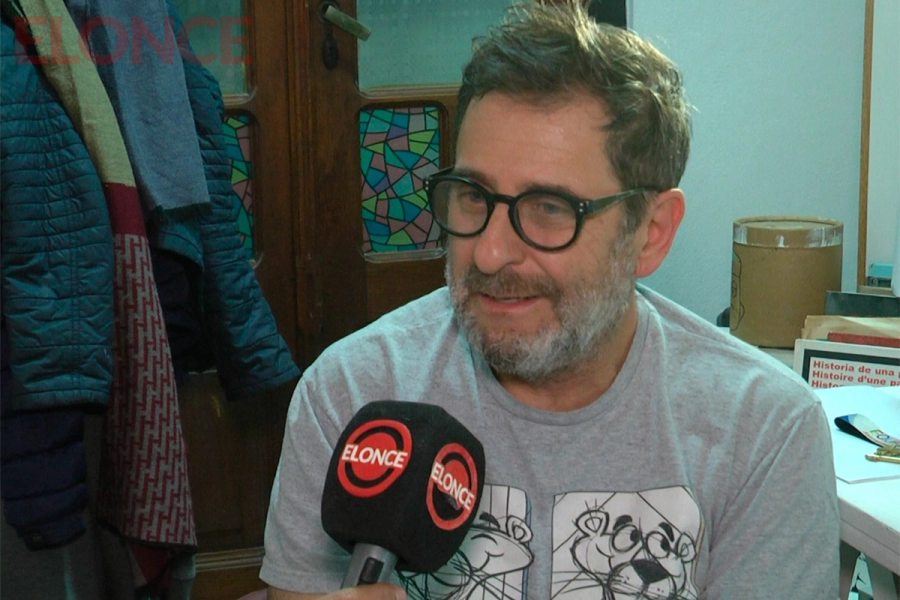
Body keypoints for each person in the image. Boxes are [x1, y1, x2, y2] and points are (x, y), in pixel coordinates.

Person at [260, 2, 840, 598]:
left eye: (549, 209)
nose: (490, 254)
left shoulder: (766, 432)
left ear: (650, 232)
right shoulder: (352, 391)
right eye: (472, 196)